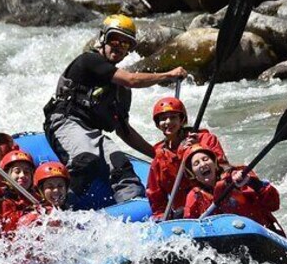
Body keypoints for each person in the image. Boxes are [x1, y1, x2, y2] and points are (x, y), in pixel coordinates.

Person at [43, 14, 187, 205]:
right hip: (65, 122)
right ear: (103, 38)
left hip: (93, 133)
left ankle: (133, 208)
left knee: (122, 165)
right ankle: (60, 209)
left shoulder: (121, 91)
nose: (119, 46)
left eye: (126, 44)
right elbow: (132, 79)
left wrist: (158, 154)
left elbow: (124, 131)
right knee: (87, 160)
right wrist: (168, 75)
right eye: (115, 40)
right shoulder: (88, 61)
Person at [145, 96, 229, 220]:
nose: (168, 122)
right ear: (158, 125)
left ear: (182, 119)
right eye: (163, 119)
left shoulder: (206, 139)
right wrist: (160, 215)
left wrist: (197, 147)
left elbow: (222, 168)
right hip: (184, 213)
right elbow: (155, 194)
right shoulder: (159, 157)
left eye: (173, 117)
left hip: (213, 203)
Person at [182, 144, 285, 236]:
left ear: (215, 164)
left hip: (262, 232)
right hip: (229, 244)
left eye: (205, 159)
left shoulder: (238, 177)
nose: (203, 165)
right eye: (196, 163)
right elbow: (190, 231)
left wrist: (252, 182)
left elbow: (274, 204)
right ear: (193, 174)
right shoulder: (194, 196)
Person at [0, 150, 38, 234]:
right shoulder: (2, 200)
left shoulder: (37, 197)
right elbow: (8, 229)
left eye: (26, 172)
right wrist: (33, 215)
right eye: (17, 171)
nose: (22, 175)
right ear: (6, 176)